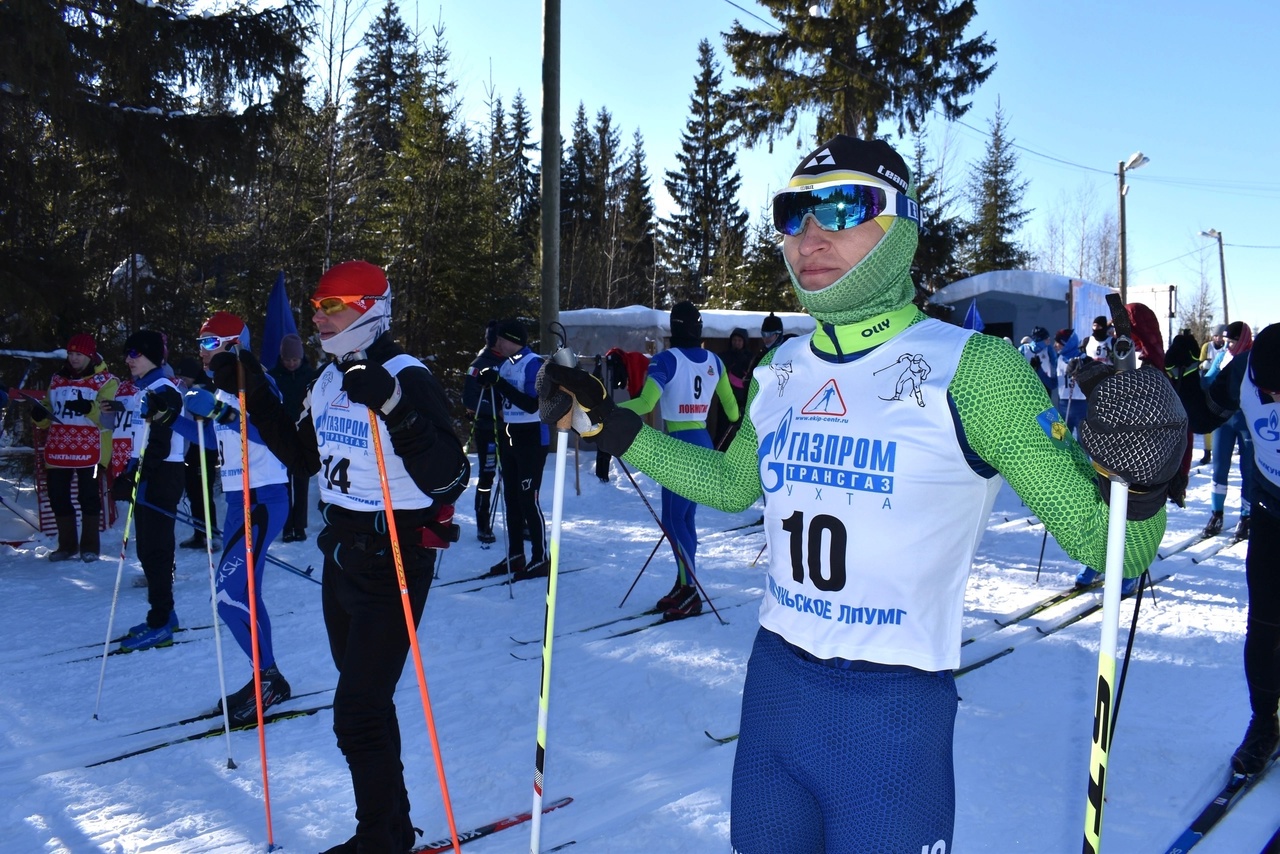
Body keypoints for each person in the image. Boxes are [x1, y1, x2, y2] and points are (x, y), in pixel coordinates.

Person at [536, 135, 1184, 853]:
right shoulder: (783, 368)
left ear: (901, 226)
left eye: (843, 206)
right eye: (792, 213)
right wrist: (618, 429)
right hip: (776, 694)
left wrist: (1146, 477)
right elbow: (729, 485)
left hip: (892, 718)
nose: (809, 234)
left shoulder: (976, 369)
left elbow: (1107, 545)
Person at [253, 260, 467, 852]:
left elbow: (450, 479)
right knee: (366, 703)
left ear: (372, 307)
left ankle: (379, 837)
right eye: (317, 306)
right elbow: (303, 457)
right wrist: (251, 387)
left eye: (336, 304)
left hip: (396, 557)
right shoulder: (326, 380)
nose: (321, 317)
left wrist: (396, 407)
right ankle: (390, 827)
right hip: (342, 556)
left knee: (356, 712)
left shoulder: (406, 373)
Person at [160, 312, 294, 723]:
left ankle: (267, 679)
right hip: (241, 502)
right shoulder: (222, 389)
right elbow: (216, 438)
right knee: (245, 594)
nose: (202, 350)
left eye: (210, 341)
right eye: (200, 341)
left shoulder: (254, 381)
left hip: (262, 499)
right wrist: (172, 419)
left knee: (228, 596)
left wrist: (225, 415)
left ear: (234, 343)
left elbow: (271, 432)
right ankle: (268, 677)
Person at [1174, 323, 1280, 775]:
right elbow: (1203, 417)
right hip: (1272, 514)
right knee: (1264, 626)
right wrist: (1179, 372)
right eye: (1269, 391)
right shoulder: (1246, 369)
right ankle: (1264, 723)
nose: (1275, 401)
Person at [617, 301, 740, 619]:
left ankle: (690, 591)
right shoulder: (715, 360)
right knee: (684, 520)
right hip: (702, 442)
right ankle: (684, 585)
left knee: (673, 520)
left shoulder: (665, 360)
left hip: (678, 448)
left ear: (674, 327)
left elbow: (646, 402)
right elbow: (732, 412)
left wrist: (609, 411)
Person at [114, 330, 186, 652]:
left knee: (156, 549)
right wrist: (129, 470)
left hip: (161, 474)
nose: (129, 359)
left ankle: (160, 622)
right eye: (128, 353)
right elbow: (140, 437)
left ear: (154, 357)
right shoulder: (144, 389)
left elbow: (160, 442)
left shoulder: (164, 390)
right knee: (147, 549)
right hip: (148, 472)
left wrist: (137, 474)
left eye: (136, 353)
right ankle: (164, 614)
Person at [29, 333, 118, 561]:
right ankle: (67, 546)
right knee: (57, 494)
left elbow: (109, 421)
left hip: (92, 450)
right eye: (70, 353)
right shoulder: (57, 379)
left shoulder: (107, 381)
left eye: (79, 354)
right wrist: (39, 415)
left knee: (88, 495)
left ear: (89, 355)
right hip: (60, 447)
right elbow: (49, 411)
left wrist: (89, 408)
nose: (74, 358)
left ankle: (90, 547)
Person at [477, 318, 549, 579]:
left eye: (501, 339)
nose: (497, 343)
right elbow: (504, 399)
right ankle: (516, 554)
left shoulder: (534, 365)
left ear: (513, 340)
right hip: (509, 435)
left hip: (531, 437)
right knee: (511, 499)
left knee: (529, 499)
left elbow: (533, 405)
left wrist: (499, 383)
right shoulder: (506, 365)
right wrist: (488, 383)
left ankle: (541, 557)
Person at [1201, 321, 1256, 541]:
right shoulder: (1223, 356)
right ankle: (1217, 514)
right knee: (1219, 467)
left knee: (1248, 470)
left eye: (1233, 341)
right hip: (1225, 420)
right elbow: (1207, 381)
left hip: (1247, 421)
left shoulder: (1254, 358)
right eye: (1226, 341)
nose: (1229, 345)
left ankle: (1246, 516)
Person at [268, 332, 318, 542]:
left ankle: (300, 525)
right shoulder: (273, 376)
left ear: (301, 358)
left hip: (304, 434)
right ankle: (287, 526)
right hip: (283, 435)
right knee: (284, 484)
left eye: (294, 360)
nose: (290, 363)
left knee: (302, 482)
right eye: (287, 360)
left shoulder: (310, 375)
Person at [173, 357, 220, 551]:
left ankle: (212, 533)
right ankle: (200, 532)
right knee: (194, 491)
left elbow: (211, 415)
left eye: (184, 377)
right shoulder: (188, 389)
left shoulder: (204, 388)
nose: (182, 381)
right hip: (190, 446)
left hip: (204, 447)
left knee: (203, 492)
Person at [462, 321, 502, 544]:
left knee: (513, 476)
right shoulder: (479, 364)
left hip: (510, 431)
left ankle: (521, 521)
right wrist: (497, 412)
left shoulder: (509, 362)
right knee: (487, 476)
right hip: (488, 429)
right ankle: (483, 523)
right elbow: (469, 400)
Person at [1198, 324, 1230, 466]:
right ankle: (1207, 451)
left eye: (1221, 335)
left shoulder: (1228, 348)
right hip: (1209, 384)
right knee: (1208, 417)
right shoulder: (1207, 347)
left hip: (1223, 385)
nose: (1218, 338)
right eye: (1216, 335)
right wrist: (1204, 365)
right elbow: (1199, 363)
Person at [718, 327, 753, 447]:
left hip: (743, 400)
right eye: (734, 340)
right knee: (722, 430)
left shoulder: (750, 358)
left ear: (744, 342)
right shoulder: (724, 357)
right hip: (725, 399)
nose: (736, 343)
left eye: (739, 340)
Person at [1053, 327, 1087, 438]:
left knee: (1083, 442)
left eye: (1058, 343)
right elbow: (1053, 383)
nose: (1055, 345)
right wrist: (1038, 371)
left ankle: (1083, 456)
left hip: (1081, 405)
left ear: (1066, 344)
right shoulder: (1059, 359)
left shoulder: (1083, 358)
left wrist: (1082, 370)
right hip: (1063, 404)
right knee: (1059, 440)